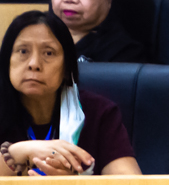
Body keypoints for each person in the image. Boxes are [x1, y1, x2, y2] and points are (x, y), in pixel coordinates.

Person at [0, 11, 140, 176]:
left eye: (48, 53)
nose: (34, 63)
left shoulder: (98, 113)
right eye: (23, 51)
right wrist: (17, 152)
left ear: (67, 68)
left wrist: (72, 184)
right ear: (7, 62)